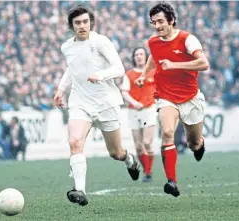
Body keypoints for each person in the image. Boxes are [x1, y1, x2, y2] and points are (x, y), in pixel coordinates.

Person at [54, 4, 140, 206]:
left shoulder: (101, 42)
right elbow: (72, 68)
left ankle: (130, 160)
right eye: (77, 23)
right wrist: (60, 89)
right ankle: (80, 190)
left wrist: (100, 75)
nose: (82, 26)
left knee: (115, 153)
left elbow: (119, 68)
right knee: (75, 142)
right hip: (80, 103)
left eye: (85, 21)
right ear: (71, 26)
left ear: (90, 22)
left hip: (105, 103)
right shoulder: (67, 47)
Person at [135, 2, 209, 197]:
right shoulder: (153, 41)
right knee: (167, 132)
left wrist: (174, 65)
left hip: (190, 97)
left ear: (171, 20)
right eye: (153, 22)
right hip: (166, 96)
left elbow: (204, 63)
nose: (157, 26)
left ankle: (199, 143)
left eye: (160, 21)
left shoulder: (188, 39)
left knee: (193, 143)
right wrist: (144, 74)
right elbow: (154, 57)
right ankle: (172, 182)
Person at [121, 47, 156, 182]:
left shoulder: (153, 72)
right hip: (133, 111)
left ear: (146, 56)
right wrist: (134, 103)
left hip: (149, 110)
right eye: (136, 54)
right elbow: (124, 92)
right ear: (133, 57)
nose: (139, 56)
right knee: (138, 146)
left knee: (147, 143)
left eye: (141, 54)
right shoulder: (129, 74)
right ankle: (146, 170)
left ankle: (148, 171)